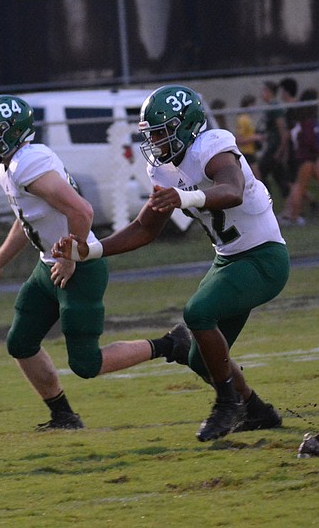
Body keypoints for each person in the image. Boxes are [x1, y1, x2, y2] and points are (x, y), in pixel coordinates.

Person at [53, 85, 288, 442]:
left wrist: (185, 196)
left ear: (187, 126)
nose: (156, 143)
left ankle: (228, 405)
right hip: (229, 261)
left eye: (162, 134)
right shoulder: (163, 168)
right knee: (199, 358)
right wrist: (90, 249)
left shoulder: (212, 147)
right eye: (152, 136)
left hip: (264, 257)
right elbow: (145, 228)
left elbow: (232, 190)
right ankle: (256, 410)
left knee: (197, 313)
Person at [0, 95, 192, 430]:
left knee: (87, 364)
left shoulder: (28, 162)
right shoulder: (11, 165)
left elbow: (82, 211)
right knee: (20, 342)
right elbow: (26, 218)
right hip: (51, 266)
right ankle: (63, 415)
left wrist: (72, 259)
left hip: (79, 268)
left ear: (13, 131)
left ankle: (171, 344)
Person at [280, 89, 319, 225]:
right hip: (307, 157)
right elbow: (310, 140)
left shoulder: (304, 120)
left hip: (308, 157)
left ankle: (292, 215)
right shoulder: (307, 122)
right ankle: (294, 217)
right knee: (299, 186)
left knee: (299, 186)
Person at [257, 81, 292, 199]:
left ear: (269, 92)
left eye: (263, 91)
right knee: (280, 178)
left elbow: (283, 130)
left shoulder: (276, 107)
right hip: (272, 145)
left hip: (275, 147)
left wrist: (280, 150)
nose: (261, 94)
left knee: (260, 172)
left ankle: (266, 199)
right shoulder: (271, 107)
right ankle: (304, 203)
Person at [234, 94, 263, 178]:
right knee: (256, 177)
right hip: (246, 152)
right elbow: (239, 139)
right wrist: (255, 137)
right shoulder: (243, 119)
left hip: (251, 151)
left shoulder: (248, 119)